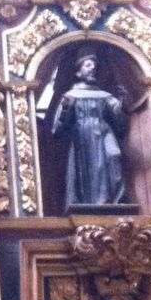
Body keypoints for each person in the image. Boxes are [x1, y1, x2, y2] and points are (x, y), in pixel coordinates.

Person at [50, 50, 129, 207]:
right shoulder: (71, 95)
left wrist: (123, 102)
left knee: (114, 156)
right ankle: (94, 203)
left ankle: (115, 199)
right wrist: (65, 109)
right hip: (83, 135)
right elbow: (57, 128)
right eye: (88, 65)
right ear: (79, 72)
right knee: (89, 168)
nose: (92, 68)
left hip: (104, 130)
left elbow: (119, 118)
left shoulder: (105, 95)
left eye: (94, 66)